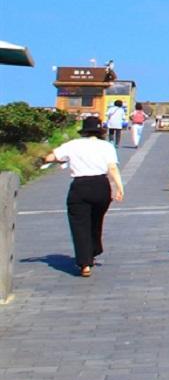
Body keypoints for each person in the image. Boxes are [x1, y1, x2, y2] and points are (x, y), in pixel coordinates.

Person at [41, 115, 124, 277]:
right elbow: (112, 168)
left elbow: (52, 157)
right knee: (95, 220)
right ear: (100, 131)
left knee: (80, 224)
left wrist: (43, 159)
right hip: (101, 186)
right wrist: (119, 187)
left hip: (80, 186)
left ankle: (85, 263)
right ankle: (93, 250)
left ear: (83, 131)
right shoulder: (106, 146)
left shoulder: (73, 145)